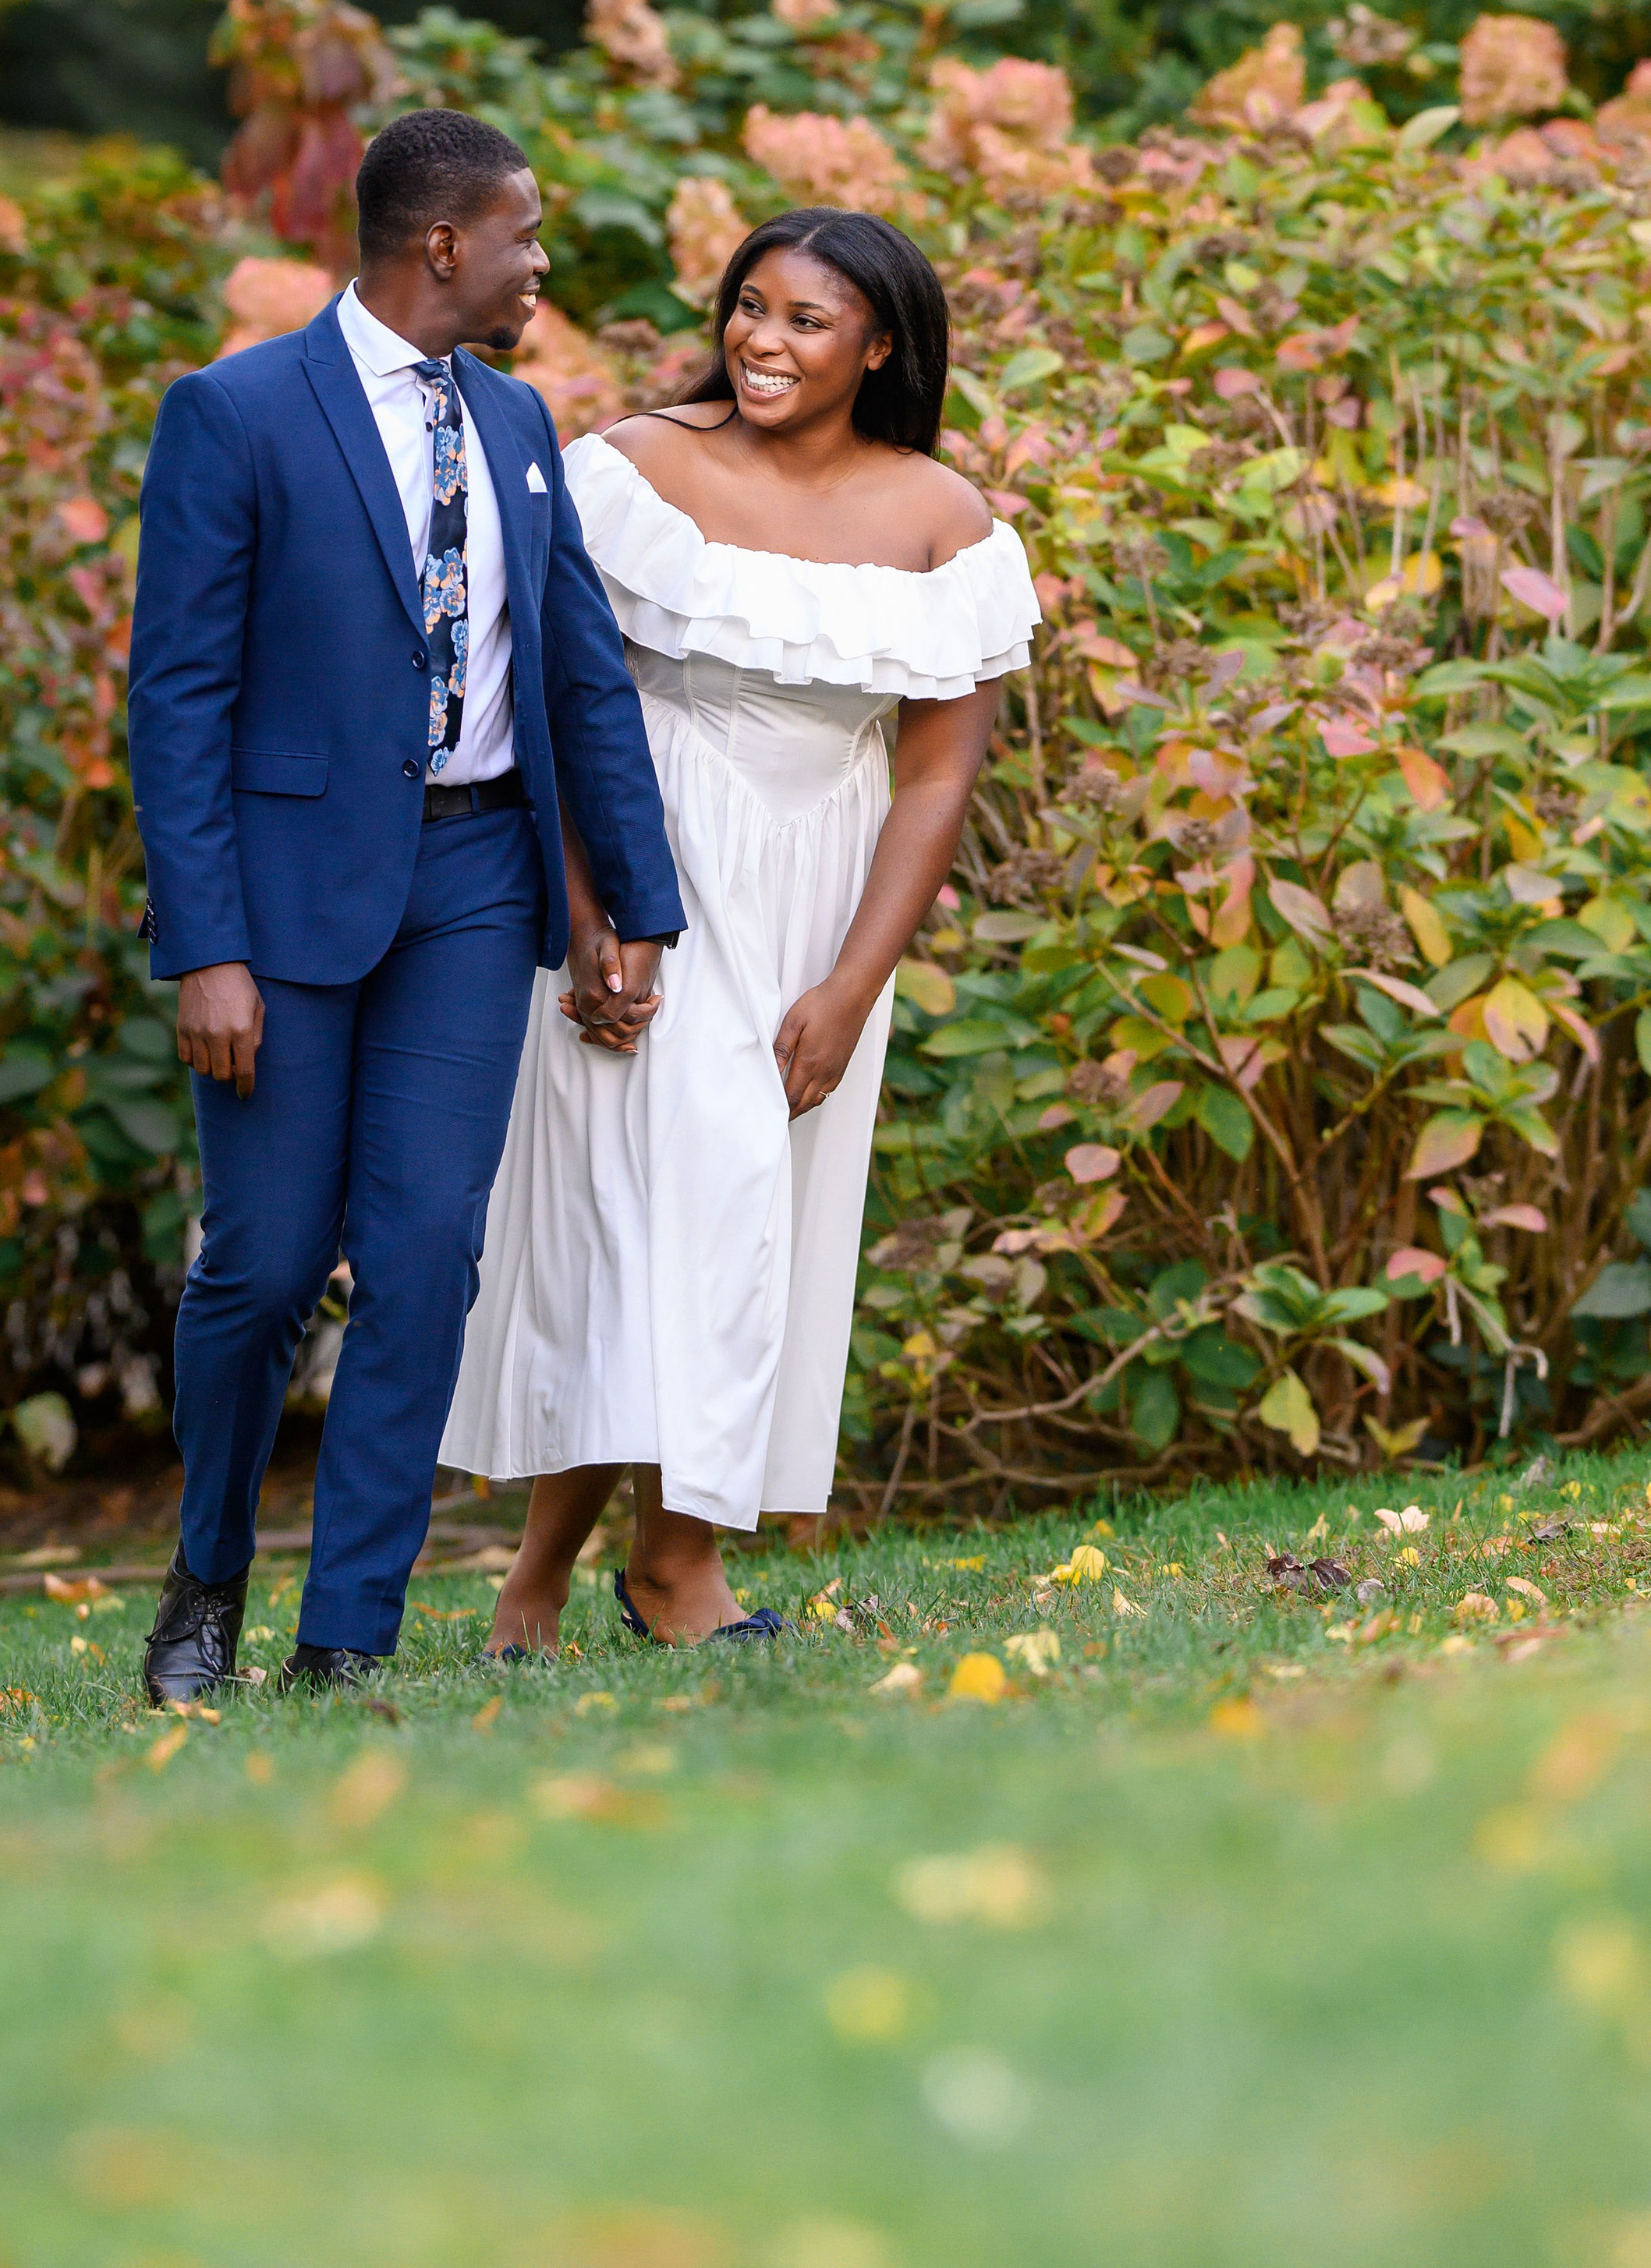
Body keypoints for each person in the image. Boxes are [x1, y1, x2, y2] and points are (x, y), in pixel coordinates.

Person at [127, 108, 685, 1704]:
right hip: (281, 906)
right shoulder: (233, 416)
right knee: (262, 1263)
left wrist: (623, 903)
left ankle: (346, 1632)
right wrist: (206, 948)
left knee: (428, 1252)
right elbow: (177, 697)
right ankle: (209, 1572)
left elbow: (575, 670)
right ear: (442, 244)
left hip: (466, 880)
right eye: (524, 235)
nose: (539, 263)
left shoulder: (514, 422)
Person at [442, 207, 1040, 1651]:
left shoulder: (946, 524)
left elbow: (940, 770)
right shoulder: (635, 470)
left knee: (743, 1229)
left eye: (807, 321)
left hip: (825, 893)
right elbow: (543, 709)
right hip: (650, 874)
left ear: (880, 345)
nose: (764, 342)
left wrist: (853, 983)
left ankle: (638, 1570)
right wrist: (588, 910)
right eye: (749, 308)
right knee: (626, 1222)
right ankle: (603, 1576)